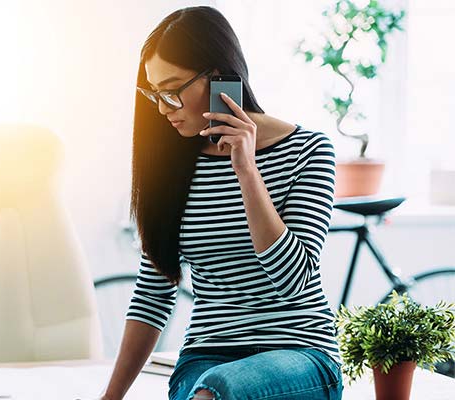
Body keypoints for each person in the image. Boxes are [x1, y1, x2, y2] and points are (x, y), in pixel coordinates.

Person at [98, 6, 343, 400]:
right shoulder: (173, 164)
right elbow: (152, 294)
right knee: (211, 387)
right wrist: (109, 399)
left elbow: (292, 278)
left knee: (218, 390)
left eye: (173, 90)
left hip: (299, 355)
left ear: (220, 78)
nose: (162, 108)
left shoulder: (309, 151)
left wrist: (246, 168)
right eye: (154, 93)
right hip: (205, 360)